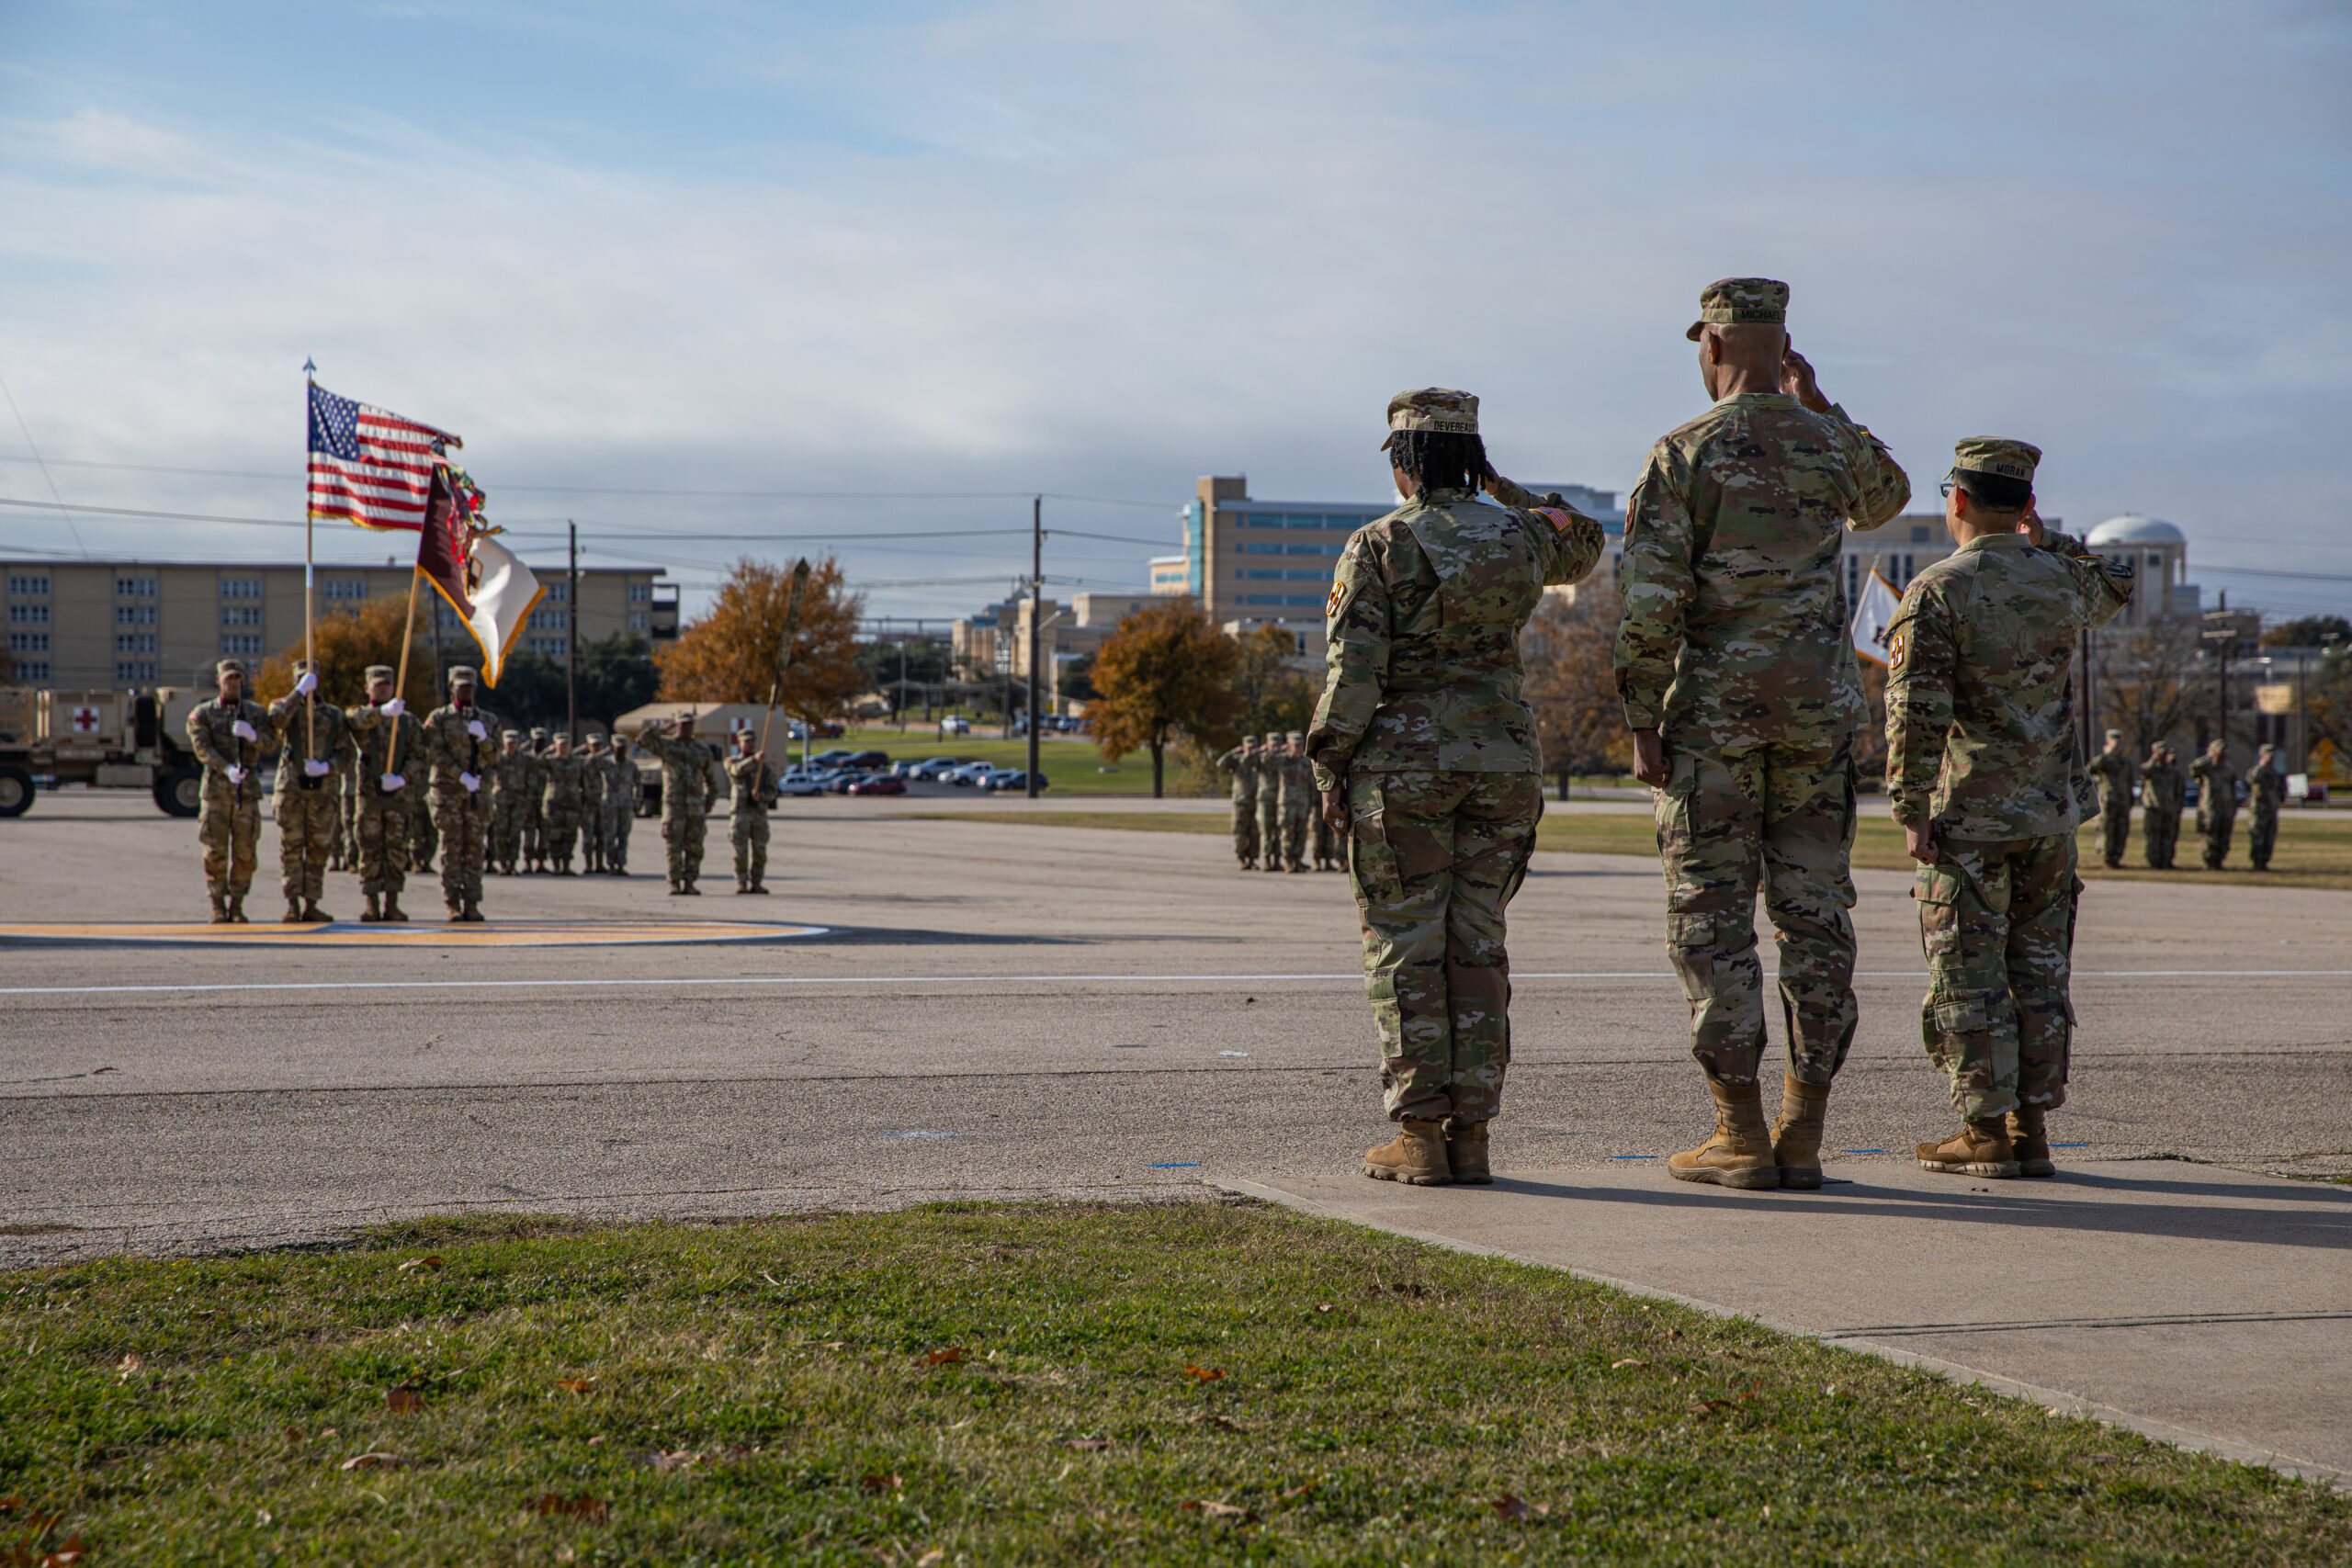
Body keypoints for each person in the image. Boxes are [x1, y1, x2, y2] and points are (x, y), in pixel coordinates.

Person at [1614, 277, 1912, 1191]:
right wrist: (1821, 405)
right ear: (1784, 349)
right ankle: (1805, 1126)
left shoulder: (1683, 453)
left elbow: (1651, 600)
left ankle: (1738, 1131)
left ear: (1710, 346)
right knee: (1815, 915)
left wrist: (1638, 718)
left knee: (1711, 917)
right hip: (1817, 718)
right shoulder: (1827, 445)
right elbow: (1887, 496)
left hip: (1715, 723)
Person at [1311, 387, 1607, 1187]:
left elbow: (1354, 675)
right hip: (1503, 764)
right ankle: (1472, 1132)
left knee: (1407, 946)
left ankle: (1419, 1135)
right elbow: (1585, 539)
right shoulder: (1517, 536)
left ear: (1404, 464)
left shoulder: (1379, 544)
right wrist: (1502, 487)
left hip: (1406, 768)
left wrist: (1328, 763)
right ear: (1474, 458)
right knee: (1478, 942)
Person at [1885, 439, 2133, 1179]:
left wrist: (1909, 805)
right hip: (2050, 815)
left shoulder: (1937, 589)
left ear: (1955, 500)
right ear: (2025, 504)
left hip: (1972, 815)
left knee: (1967, 969)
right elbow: (2114, 579)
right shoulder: (2061, 579)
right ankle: (2033, 1127)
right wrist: (2043, 537)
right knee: (2039, 970)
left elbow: (1915, 712)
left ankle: (1984, 1128)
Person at [184, 658, 275, 923]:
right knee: (215, 851)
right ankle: (217, 905)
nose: (232, 684)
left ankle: (237, 904)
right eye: (227, 679)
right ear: (218, 681)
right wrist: (226, 768)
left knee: (245, 852)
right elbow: (202, 748)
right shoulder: (203, 713)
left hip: (246, 793)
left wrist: (253, 736)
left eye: (236, 679)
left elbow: (271, 743)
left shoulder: (256, 714)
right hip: (216, 792)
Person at [266, 660, 355, 922]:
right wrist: (298, 694)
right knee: (291, 847)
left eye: (310, 678)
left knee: (318, 849)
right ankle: (292, 903)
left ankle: (312, 904)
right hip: (292, 789)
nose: (306, 682)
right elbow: (276, 720)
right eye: (301, 678)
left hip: (323, 791)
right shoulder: (285, 706)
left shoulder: (334, 715)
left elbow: (347, 752)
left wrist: (328, 766)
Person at [423, 667, 504, 920]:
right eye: (461, 687)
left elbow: (495, 756)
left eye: (470, 687)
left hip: (477, 796)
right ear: (451, 688)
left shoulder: (488, 721)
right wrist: (460, 775)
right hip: (448, 793)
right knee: (451, 848)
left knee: (475, 850)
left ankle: (472, 902)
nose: (466, 691)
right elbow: (435, 753)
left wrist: (484, 740)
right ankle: (452, 903)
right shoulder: (439, 719)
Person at [346, 667, 422, 922]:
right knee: (369, 850)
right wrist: (382, 713)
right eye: (377, 685)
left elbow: (419, 755)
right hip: (369, 795)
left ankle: (392, 903)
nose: (383, 689)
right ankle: (371, 903)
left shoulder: (407, 721)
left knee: (396, 850)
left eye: (387, 685)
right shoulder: (360, 714)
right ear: (367, 688)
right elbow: (356, 721)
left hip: (398, 797)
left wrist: (404, 777)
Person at [636, 713, 723, 894]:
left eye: (689, 724)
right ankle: (674, 882)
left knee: (695, 848)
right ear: (677, 726)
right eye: (682, 725)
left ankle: (690, 882)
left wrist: (710, 801)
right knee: (673, 847)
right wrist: (662, 729)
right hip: (673, 806)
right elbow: (642, 741)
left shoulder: (701, 749)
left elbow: (711, 780)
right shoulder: (667, 745)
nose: (686, 728)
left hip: (695, 807)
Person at [724, 728, 777, 894]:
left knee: (760, 851)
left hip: (758, 814)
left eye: (752, 741)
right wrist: (754, 760)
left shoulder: (765, 768)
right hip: (741, 814)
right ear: (739, 743)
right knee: (740, 851)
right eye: (746, 741)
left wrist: (761, 796)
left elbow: (773, 790)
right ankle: (741, 881)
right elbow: (737, 771)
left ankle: (757, 882)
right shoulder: (732, 761)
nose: (750, 744)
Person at [2085, 729, 2136, 870]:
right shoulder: (2103, 760)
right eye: (2114, 742)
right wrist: (2106, 754)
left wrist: (2131, 799)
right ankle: (2107, 858)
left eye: (2119, 743)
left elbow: (2130, 782)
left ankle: (2116, 858)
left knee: (2121, 830)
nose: (2117, 746)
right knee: (2107, 829)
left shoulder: (2126, 762)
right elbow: (2089, 770)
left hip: (2123, 802)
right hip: (2107, 802)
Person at [539, 734, 583, 874]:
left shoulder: (576, 761)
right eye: (560, 745)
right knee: (554, 835)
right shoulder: (550, 761)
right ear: (556, 745)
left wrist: (584, 799)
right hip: (555, 803)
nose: (563, 747)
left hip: (572, 802)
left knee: (570, 835)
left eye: (566, 745)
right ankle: (556, 866)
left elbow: (584, 779)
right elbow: (536, 762)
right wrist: (547, 750)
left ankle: (566, 866)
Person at [1216, 734, 1261, 869]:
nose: (1252, 750)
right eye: (1249, 747)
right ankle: (1241, 858)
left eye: (1254, 747)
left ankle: (1252, 860)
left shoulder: (1260, 761)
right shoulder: (1237, 761)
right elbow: (1220, 764)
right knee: (1240, 832)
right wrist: (1234, 752)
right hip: (1241, 802)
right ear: (1244, 748)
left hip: (1256, 802)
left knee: (1255, 833)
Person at [2190, 739, 2236, 870]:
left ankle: (2220, 861)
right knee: (2210, 835)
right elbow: (2194, 768)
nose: (2223, 753)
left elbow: (2233, 789)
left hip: (2225, 807)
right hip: (2210, 808)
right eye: (2220, 750)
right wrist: (2209, 757)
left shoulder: (2229, 769)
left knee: (2224, 836)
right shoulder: (2207, 768)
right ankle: (2209, 862)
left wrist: (2233, 807)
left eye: (2224, 750)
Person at [490, 730, 530, 875]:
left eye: (514, 743)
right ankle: (502, 863)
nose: (511, 745)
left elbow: (529, 780)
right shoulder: (498, 758)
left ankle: (512, 863)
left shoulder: (524, 760)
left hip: (518, 799)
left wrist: (527, 800)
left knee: (515, 833)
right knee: (500, 832)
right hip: (501, 800)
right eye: (509, 743)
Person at [2141, 743, 2184, 869]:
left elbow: (2178, 790)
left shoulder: (2172, 771)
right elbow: (2143, 772)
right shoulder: (2151, 769)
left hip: (2169, 808)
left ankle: (2167, 860)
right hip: (2153, 808)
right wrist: (2154, 759)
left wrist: (2177, 807)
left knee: (2168, 836)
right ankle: (2154, 861)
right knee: (2153, 836)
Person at [2245, 741, 2286, 871]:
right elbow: (2250, 779)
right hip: (2259, 811)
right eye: (2269, 756)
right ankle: (2257, 862)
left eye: (2273, 757)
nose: (2272, 760)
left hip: (2271, 811)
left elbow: (2278, 790)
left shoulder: (2274, 774)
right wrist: (2262, 765)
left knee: (2270, 837)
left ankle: (2265, 861)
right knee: (2258, 837)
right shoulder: (2258, 771)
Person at [1280, 731, 1313, 873]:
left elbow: (1312, 782)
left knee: (1301, 833)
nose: (1299, 747)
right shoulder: (1282, 760)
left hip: (1303, 802)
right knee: (1288, 833)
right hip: (1287, 803)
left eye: (1300, 744)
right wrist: (1278, 749)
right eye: (1295, 744)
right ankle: (1288, 861)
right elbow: (1265, 760)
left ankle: (1297, 861)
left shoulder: (1306, 761)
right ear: (1289, 745)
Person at [604, 735, 637, 874]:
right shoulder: (606, 763)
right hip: (610, 806)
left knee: (623, 836)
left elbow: (638, 784)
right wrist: (604, 752)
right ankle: (611, 864)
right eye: (617, 748)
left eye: (623, 748)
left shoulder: (631, 765)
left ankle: (621, 865)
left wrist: (638, 801)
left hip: (626, 805)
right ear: (613, 748)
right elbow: (588, 763)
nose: (620, 751)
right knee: (610, 836)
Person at [580, 734, 609, 874]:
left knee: (602, 835)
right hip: (589, 803)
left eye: (599, 745)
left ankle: (599, 864)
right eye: (594, 745)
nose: (597, 748)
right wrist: (580, 749)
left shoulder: (607, 762)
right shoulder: (586, 761)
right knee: (588, 836)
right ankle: (588, 865)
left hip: (602, 805)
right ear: (589, 747)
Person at [524, 726, 551, 873]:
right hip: (530, 801)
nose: (538, 744)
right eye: (536, 741)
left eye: (541, 741)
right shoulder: (527, 759)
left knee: (544, 832)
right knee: (529, 832)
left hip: (544, 802)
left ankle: (541, 862)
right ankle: (528, 863)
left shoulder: (548, 760)